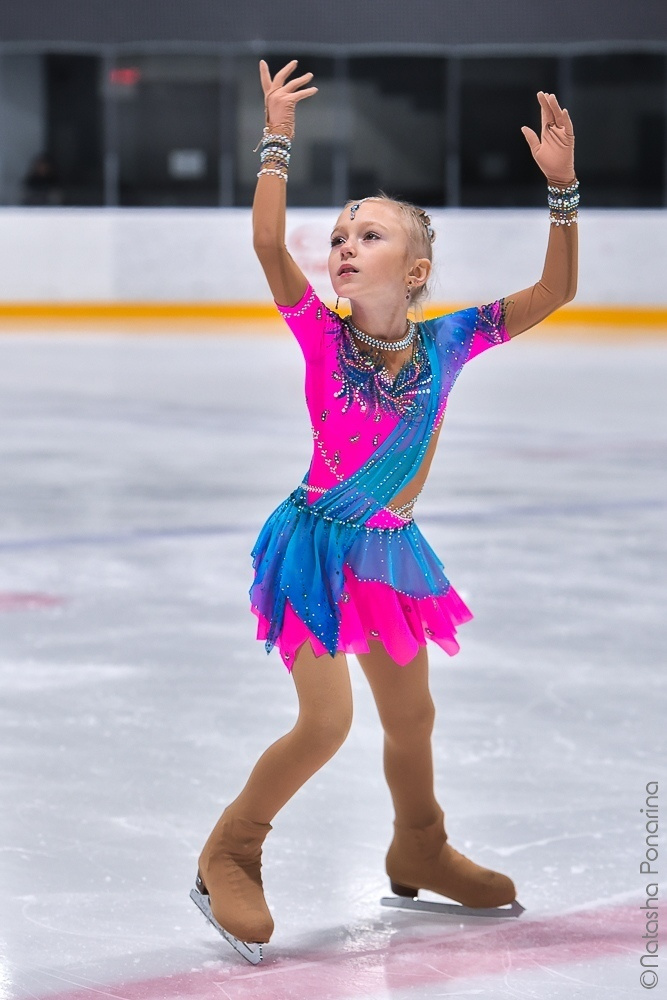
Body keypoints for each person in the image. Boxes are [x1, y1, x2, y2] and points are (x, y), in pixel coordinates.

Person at [190, 59, 578, 963]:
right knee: (326, 723)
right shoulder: (318, 331)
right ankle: (230, 852)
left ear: (416, 270)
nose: (344, 245)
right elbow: (265, 247)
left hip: (390, 552)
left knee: (412, 721)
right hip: (315, 546)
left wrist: (561, 193)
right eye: (339, 235)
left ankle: (420, 844)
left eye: (368, 233)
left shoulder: (452, 339)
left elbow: (554, 293)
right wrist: (275, 140)